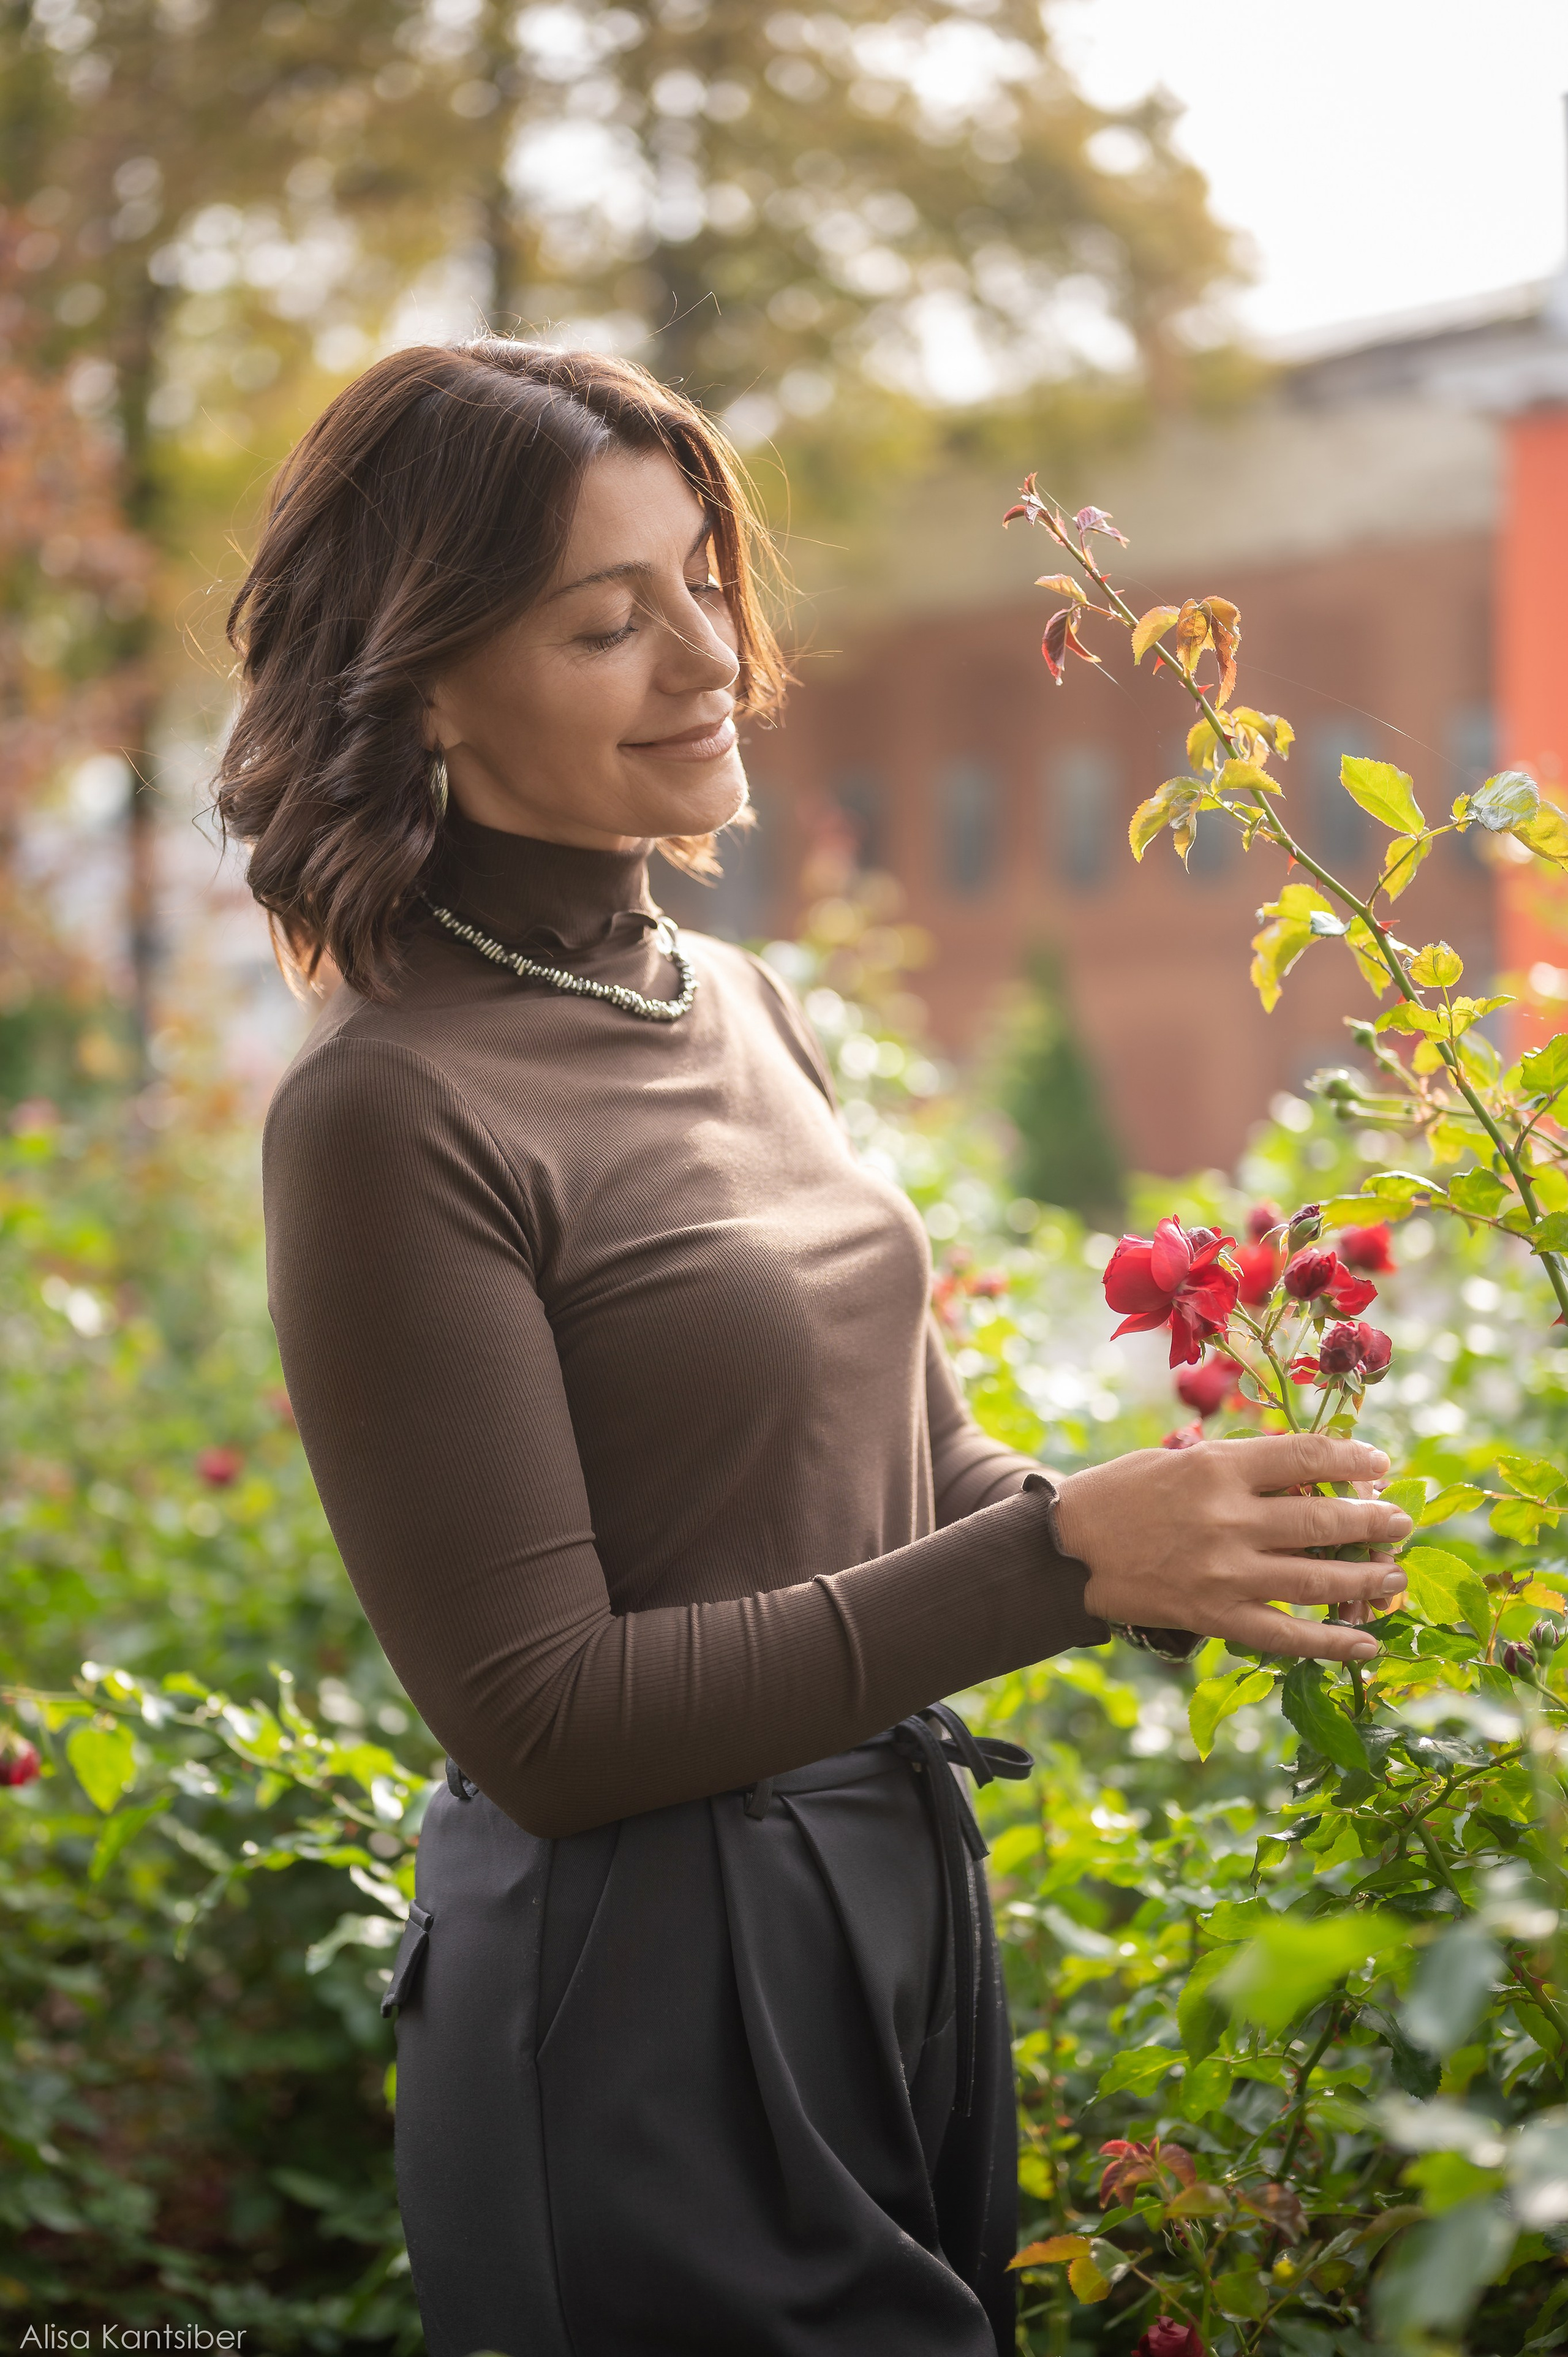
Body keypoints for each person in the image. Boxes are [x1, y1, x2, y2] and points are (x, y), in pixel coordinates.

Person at [218, 340, 1410, 2357]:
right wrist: (1065, 1562)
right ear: (422, 688)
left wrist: (1200, 1545)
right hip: (638, 1993)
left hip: (896, 1915)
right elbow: (546, 1722)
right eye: (610, 623)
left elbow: (926, 1486)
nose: (710, 659)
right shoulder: (389, 1111)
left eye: (702, 583)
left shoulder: (743, 1000)